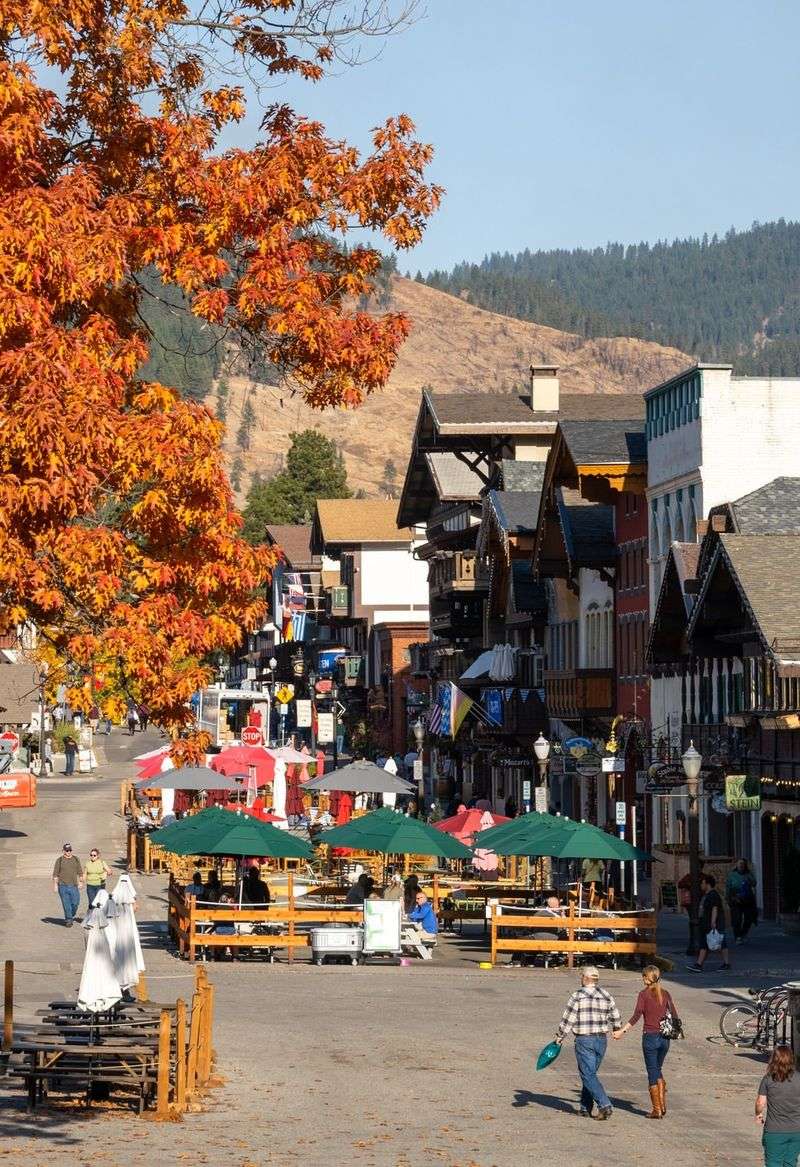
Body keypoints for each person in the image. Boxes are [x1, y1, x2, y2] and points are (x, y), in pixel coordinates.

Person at [554, 966, 622, 1120]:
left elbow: (568, 1019)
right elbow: (615, 1015)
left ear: (585, 978)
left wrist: (560, 1036)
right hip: (601, 1040)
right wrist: (617, 1028)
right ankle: (585, 1107)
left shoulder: (577, 996)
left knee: (588, 1074)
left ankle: (604, 1105)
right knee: (590, 1074)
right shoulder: (606, 994)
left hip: (584, 1039)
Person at [613, 964, 678, 1118]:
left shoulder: (644, 995)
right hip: (664, 1038)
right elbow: (674, 1015)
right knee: (658, 1068)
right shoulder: (666, 993)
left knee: (652, 1071)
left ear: (646, 978)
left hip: (650, 1037)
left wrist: (622, 1030)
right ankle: (662, 1105)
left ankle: (657, 1109)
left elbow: (637, 1015)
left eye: (643, 976)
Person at [756, 1044, 800, 1166]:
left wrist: (758, 1114)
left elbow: (760, 1103)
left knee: (773, 1163)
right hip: (797, 1130)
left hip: (775, 1130)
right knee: (791, 1162)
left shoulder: (768, 1079)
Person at [687, 873, 730, 972]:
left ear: (708, 884)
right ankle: (699, 964)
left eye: (703, 883)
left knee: (721, 943)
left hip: (715, 924)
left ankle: (726, 964)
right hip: (706, 924)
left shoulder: (713, 895)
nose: (701, 885)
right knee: (704, 944)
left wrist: (713, 922)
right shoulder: (707, 895)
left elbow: (715, 908)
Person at [727, 858, 758, 945]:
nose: (741, 865)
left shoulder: (748, 874)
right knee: (737, 919)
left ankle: (743, 933)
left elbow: (754, 883)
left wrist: (748, 877)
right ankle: (738, 936)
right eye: (739, 864)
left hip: (747, 899)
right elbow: (728, 888)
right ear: (736, 865)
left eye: (743, 864)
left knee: (748, 918)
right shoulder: (732, 875)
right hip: (736, 899)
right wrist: (728, 899)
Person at [52, 843, 83, 926]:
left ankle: (70, 914)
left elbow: (80, 872)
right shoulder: (59, 860)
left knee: (75, 903)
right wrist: (55, 885)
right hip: (62, 886)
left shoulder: (76, 859)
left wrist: (81, 882)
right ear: (63, 851)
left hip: (74, 886)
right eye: (67, 850)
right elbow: (55, 874)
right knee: (66, 904)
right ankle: (69, 919)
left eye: (70, 850)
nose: (69, 852)